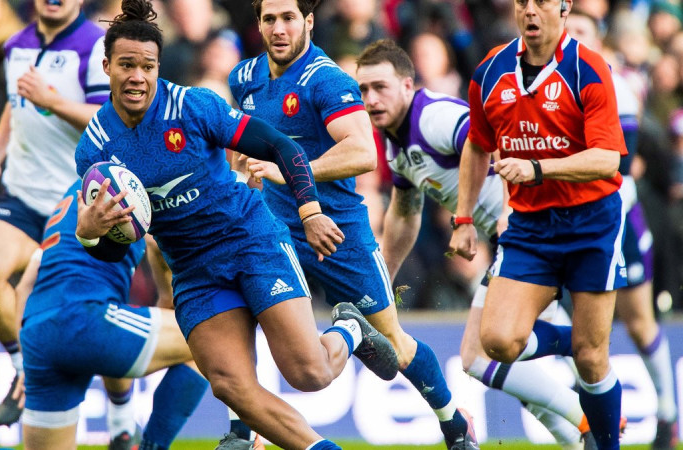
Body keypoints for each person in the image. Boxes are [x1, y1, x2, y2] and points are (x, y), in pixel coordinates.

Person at [75, 1, 399, 449]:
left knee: (310, 374)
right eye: (126, 65)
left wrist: (309, 211)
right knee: (231, 387)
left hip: (250, 240)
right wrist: (90, 230)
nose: (137, 77)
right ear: (107, 65)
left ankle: (349, 328)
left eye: (147, 66)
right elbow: (114, 246)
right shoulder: (94, 151)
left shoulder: (192, 107)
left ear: (157, 67)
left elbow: (281, 146)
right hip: (194, 270)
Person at [230, 1, 476, 448]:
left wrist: (288, 170)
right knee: (239, 311)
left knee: (394, 342)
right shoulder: (243, 78)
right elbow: (240, 145)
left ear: (307, 21)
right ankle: (240, 430)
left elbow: (364, 152)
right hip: (272, 228)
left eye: (288, 18)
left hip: (337, 232)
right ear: (259, 23)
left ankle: (453, 425)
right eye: (269, 19)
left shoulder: (327, 80)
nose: (279, 28)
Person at [355, 38, 595, 449]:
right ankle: (581, 439)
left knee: (478, 357)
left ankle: (589, 418)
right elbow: (404, 213)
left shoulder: (434, 117)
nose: (370, 99)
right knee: (509, 362)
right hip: (524, 236)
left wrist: (505, 208)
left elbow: (497, 138)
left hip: (532, 230)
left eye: (380, 87)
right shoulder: (395, 145)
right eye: (363, 90)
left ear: (408, 85)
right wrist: (385, 282)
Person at [449, 0, 627, 449]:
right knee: (498, 342)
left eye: (542, 1)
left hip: (593, 225)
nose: (530, 10)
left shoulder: (588, 68)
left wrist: (538, 168)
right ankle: (585, 339)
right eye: (522, 1)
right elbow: (477, 144)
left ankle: (606, 442)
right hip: (530, 227)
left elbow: (608, 158)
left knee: (591, 364)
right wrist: (464, 218)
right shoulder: (490, 71)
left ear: (564, 9)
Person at [0, 0, 125, 433]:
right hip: (22, 194)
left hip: (78, 203)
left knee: (102, 320)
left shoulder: (95, 46)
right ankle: (24, 367)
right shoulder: (14, 44)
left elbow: (109, 120)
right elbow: (17, 107)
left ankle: (123, 417)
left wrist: (51, 100)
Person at [565, 10, 679, 448]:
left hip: (616, 221)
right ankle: (585, 415)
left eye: (582, 31)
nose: (572, 37)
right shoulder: (543, 87)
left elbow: (621, 170)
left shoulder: (615, 88)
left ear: (598, 41)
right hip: (560, 222)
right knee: (572, 323)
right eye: (569, 30)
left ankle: (668, 416)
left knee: (638, 323)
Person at [16, 179, 198, 450]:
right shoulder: (130, 185)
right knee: (209, 339)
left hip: (38, 332)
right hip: (84, 318)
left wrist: (22, 362)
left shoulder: (73, 195)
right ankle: (150, 445)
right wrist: (166, 303)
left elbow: (23, 287)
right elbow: (158, 249)